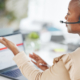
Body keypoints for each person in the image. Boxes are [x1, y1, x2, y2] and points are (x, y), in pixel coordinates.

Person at [0, 0, 80, 80]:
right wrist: (51, 71)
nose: (65, 17)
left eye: (68, 13)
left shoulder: (73, 59)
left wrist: (15, 50)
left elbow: (38, 78)